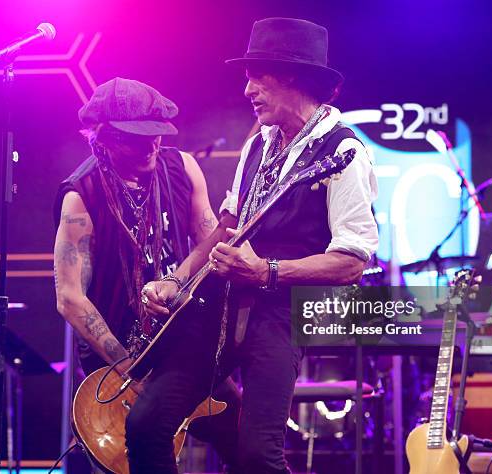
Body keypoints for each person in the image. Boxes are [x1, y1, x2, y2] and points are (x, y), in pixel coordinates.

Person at [138, 17, 379, 474]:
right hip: (220, 305)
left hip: (280, 319)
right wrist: (177, 277)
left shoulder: (343, 152)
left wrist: (266, 271)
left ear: (289, 75)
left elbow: (351, 262)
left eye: (256, 76)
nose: (247, 89)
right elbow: (229, 221)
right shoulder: (258, 146)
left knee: (256, 458)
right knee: (147, 422)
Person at [53, 77, 240, 471]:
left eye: (155, 135)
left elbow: (209, 251)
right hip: (118, 360)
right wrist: (127, 367)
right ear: (102, 138)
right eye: (135, 139)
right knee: (143, 454)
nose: (151, 145)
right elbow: (70, 297)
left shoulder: (183, 168)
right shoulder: (81, 194)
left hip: (181, 346)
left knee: (244, 435)